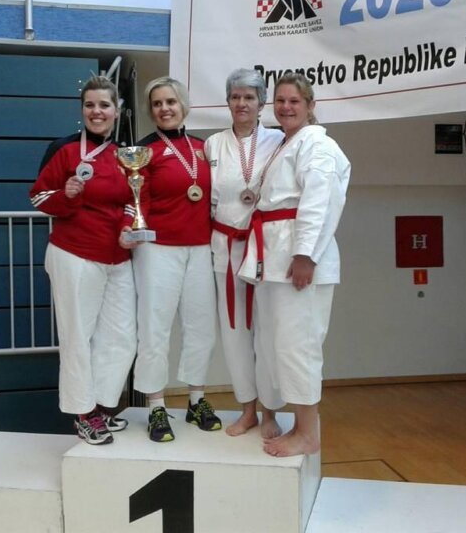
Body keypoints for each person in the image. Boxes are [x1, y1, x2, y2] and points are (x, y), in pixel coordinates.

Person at [238, 72, 350, 457]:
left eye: (294, 101)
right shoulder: (288, 143)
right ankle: (296, 424)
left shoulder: (318, 145)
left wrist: (306, 255)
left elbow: (319, 203)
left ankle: (307, 432)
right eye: (281, 101)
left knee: (299, 345)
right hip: (275, 256)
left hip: (298, 259)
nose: (286, 107)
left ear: (311, 106)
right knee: (278, 344)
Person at [30, 75, 138, 445]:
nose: (97, 111)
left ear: (116, 110)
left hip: (117, 257)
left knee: (122, 337)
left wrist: (127, 227)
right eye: (90, 105)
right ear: (82, 110)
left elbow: (132, 201)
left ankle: (103, 408)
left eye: (104, 105)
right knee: (78, 337)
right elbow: (38, 197)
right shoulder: (63, 149)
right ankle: (83, 413)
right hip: (74, 254)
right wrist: (67, 194)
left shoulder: (125, 154)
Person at [130, 76, 221, 442]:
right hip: (157, 249)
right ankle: (156, 405)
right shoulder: (142, 151)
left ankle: (196, 400)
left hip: (200, 248)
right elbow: (134, 202)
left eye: (170, 101)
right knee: (155, 329)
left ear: (183, 104)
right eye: (157, 103)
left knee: (202, 327)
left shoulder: (204, 148)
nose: (164, 108)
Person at [205, 68, 285, 438]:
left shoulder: (279, 140)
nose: (242, 103)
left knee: (266, 331)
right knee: (234, 331)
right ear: (227, 102)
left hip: (265, 247)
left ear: (261, 103)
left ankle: (270, 413)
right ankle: (247, 410)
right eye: (235, 97)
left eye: (249, 97)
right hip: (225, 246)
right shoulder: (213, 144)